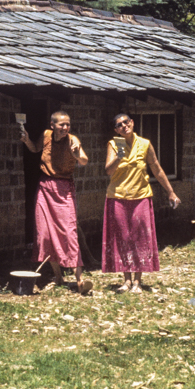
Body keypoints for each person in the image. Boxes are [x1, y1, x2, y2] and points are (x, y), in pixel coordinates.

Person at [103, 113, 181, 293]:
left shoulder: (145, 144)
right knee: (123, 238)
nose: (124, 126)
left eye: (126, 122)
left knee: (139, 238)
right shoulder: (114, 145)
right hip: (118, 197)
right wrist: (119, 156)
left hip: (141, 197)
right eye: (119, 125)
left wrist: (170, 192)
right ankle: (126, 281)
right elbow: (108, 170)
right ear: (116, 130)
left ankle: (138, 281)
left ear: (132, 123)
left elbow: (157, 168)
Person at [20, 111, 92, 294]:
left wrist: (76, 154)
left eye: (68, 124)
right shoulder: (45, 135)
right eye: (62, 125)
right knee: (45, 233)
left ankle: (80, 279)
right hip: (45, 187)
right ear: (52, 125)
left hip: (64, 188)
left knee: (69, 232)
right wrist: (27, 140)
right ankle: (58, 277)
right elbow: (36, 149)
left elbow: (84, 160)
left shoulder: (72, 140)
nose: (65, 128)